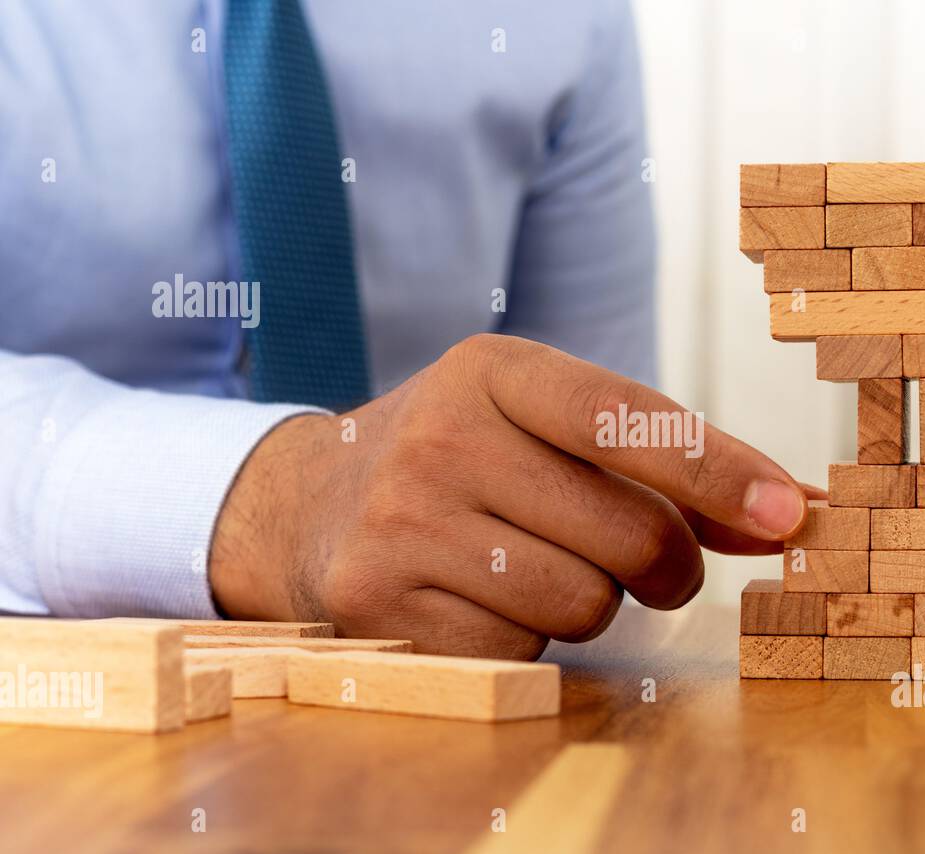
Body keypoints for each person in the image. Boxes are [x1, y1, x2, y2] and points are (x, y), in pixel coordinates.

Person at [0, 0, 809, 658]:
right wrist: (274, 502)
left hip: (432, 760)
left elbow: (590, 489)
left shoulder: (567, 20)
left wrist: (600, 522)